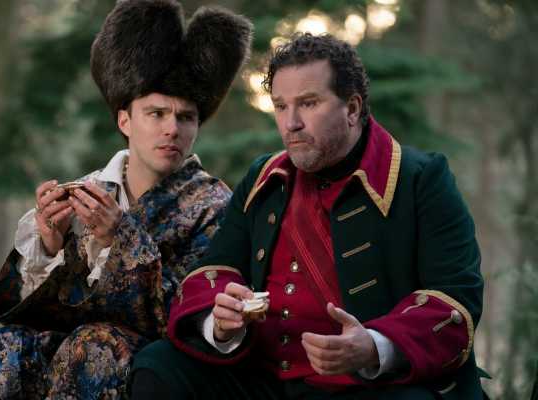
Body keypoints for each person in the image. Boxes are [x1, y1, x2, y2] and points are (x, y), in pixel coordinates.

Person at [130, 33, 486, 399]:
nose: (291, 123)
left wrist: (374, 346)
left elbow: (454, 300)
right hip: (265, 381)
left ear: (352, 108)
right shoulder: (263, 178)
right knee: (160, 366)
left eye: (308, 103)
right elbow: (214, 272)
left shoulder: (421, 180)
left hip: (366, 387)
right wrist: (221, 322)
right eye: (281, 106)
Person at [0, 1, 252, 399]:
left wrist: (120, 238)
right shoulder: (89, 190)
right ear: (125, 120)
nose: (172, 129)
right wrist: (50, 245)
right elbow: (48, 309)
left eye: (186, 117)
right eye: (157, 113)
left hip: (154, 359)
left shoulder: (214, 205)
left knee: (94, 346)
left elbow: (190, 314)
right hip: (78, 342)